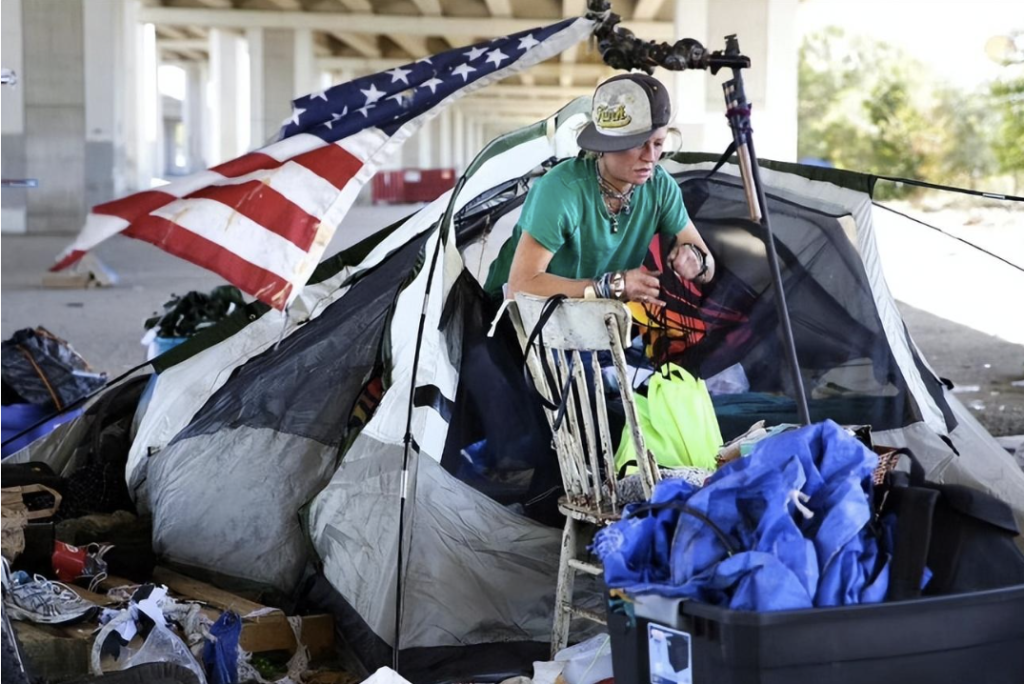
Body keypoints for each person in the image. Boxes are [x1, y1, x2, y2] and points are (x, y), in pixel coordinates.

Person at [484, 72, 715, 305]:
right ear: (606, 145)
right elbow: (521, 287)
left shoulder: (660, 186)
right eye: (638, 145)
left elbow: (708, 266)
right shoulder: (562, 190)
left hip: (592, 317)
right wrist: (612, 286)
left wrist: (697, 261)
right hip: (512, 319)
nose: (651, 157)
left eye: (658, 144)